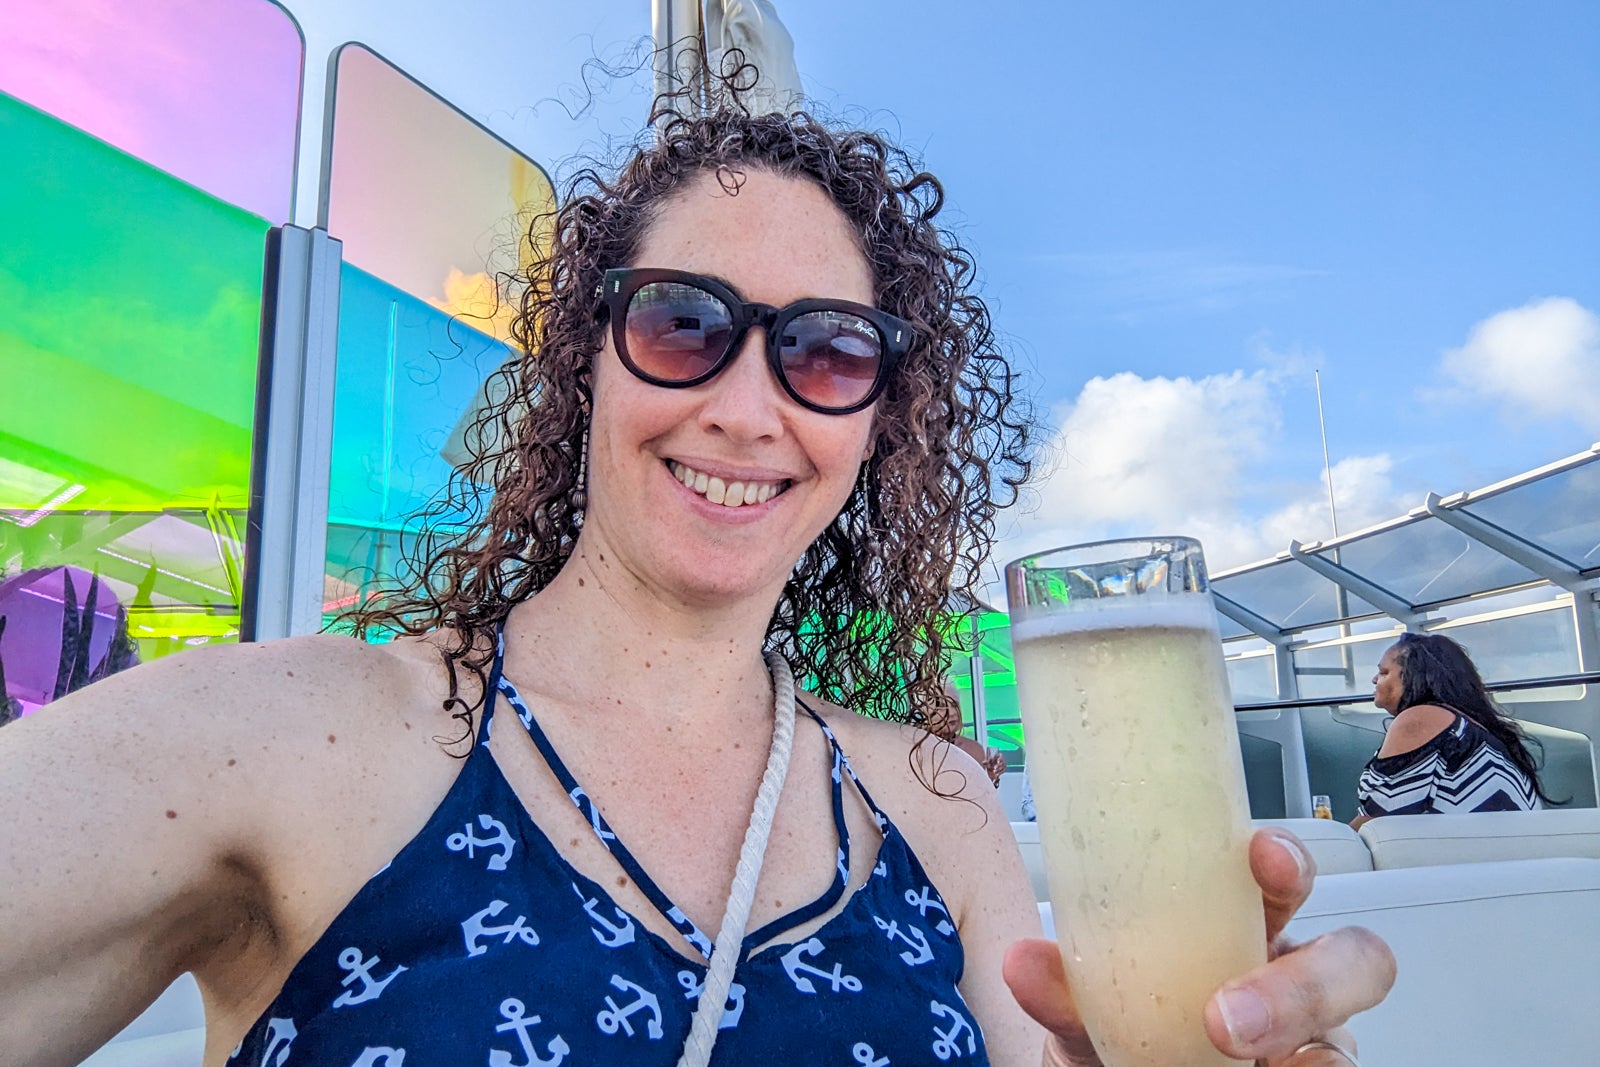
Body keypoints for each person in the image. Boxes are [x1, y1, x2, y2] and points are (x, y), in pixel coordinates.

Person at [0, 104, 1392, 1067]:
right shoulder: (302, 733)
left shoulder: (936, 803)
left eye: (829, 352)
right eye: (685, 323)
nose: (746, 404)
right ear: (585, 360)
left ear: (876, 421)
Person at [1352, 632, 1554, 828]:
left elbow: (1379, 818)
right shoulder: (1471, 729)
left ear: (1414, 677)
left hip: (1473, 857)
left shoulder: (1420, 718)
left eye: (1384, 672)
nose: (1374, 680)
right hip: (1506, 852)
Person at [933, 679, 1009, 787]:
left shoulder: (973, 749)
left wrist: (991, 776)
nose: (952, 713)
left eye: (955, 705)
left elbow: (980, 794)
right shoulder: (915, 748)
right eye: (941, 706)